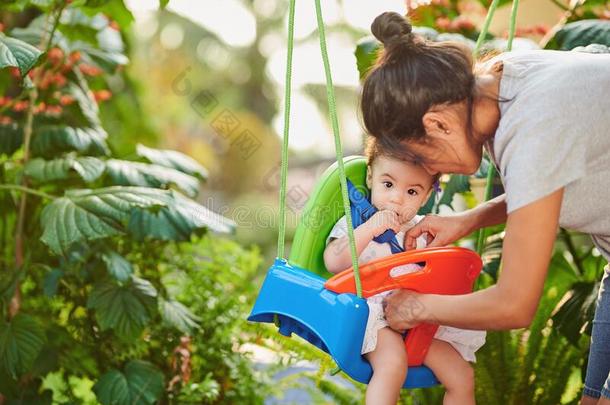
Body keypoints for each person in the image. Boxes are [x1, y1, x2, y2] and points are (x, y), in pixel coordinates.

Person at [359, 11, 610, 405]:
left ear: (437, 124)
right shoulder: (500, 82)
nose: (431, 174)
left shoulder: (534, 127)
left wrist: (417, 307)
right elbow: (544, 182)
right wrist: (468, 220)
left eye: (423, 160)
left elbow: (513, 305)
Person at [324, 138, 485, 405]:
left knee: (462, 375)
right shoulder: (356, 223)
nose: (397, 199)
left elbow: (441, 274)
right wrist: (370, 229)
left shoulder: (423, 229)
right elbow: (333, 262)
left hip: (419, 320)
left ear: (427, 196)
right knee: (393, 365)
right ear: (370, 177)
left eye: (412, 192)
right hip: (374, 319)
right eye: (388, 185)